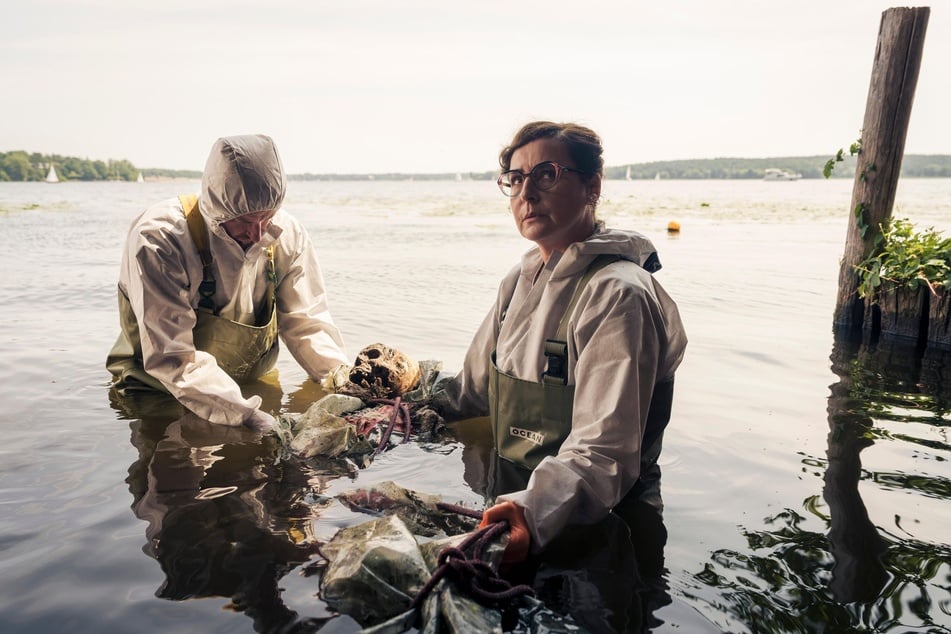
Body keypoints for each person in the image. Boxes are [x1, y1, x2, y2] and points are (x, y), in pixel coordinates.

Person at [433, 121, 687, 564]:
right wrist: (401, 401)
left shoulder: (620, 294)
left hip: (601, 524)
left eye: (546, 174)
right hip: (510, 503)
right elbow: (470, 393)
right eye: (515, 179)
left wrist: (530, 516)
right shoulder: (518, 281)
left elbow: (604, 455)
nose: (526, 193)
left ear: (592, 187)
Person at [107, 134, 349, 433]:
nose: (258, 232)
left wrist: (344, 383)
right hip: (159, 391)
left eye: (267, 216)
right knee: (175, 463)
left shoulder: (287, 233)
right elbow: (174, 358)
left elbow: (306, 324)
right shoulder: (160, 239)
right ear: (217, 207)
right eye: (245, 222)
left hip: (247, 385)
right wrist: (247, 415)